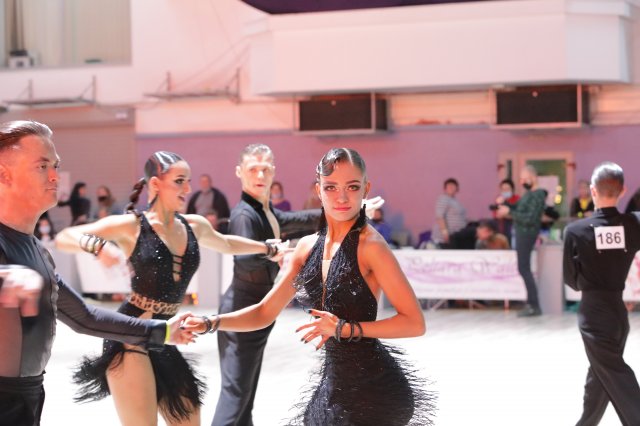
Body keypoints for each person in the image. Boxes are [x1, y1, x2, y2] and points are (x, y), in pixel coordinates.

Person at [183, 147, 435, 426]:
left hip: (376, 393)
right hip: (334, 386)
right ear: (319, 190)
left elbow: (414, 323)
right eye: (331, 187)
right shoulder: (306, 247)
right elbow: (265, 311)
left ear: (366, 189)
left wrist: (346, 329)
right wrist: (210, 322)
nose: (341, 197)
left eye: (352, 187)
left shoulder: (371, 246)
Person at [55, 150, 288, 426]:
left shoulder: (194, 225)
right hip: (130, 334)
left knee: (189, 419)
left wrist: (267, 248)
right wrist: (98, 246)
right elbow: (64, 237)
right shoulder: (132, 226)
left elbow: (225, 243)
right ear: (155, 184)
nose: (187, 189)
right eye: (179, 181)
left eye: (188, 181)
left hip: (166, 334)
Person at [0, 120, 195, 426]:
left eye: (56, 165)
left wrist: (164, 331)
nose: (55, 176)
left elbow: (84, 317)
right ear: (3, 174)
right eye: (42, 166)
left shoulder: (36, 250)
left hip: (28, 398)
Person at [212, 144, 322, 426]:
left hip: (257, 310)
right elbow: (244, 260)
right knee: (235, 396)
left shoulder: (264, 209)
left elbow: (296, 220)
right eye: (253, 169)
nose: (260, 175)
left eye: (265, 169)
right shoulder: (244, 215)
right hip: (242, 311)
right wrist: (271, 253)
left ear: (273, 171)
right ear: (239, 172)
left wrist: (340, 211)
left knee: (244, 396)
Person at [563, 161, 640, 425]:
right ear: (623, 190)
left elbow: (570, 280)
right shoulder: (634, 224)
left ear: (593, 191)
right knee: (600, 376)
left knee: (614, 374)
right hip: (618, 315)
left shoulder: (575, 231)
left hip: (593, 316)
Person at [497, 165, 546, 317]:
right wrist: (506, 204)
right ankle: (531, 304)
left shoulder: (538, 195)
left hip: (527, 233)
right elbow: (517, 208)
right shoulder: (528, 194)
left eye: (525, 179)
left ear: (533, 177)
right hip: (521, 233)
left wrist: (509, 212)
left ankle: (534, 305)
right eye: (521, 179)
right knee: (523, 268)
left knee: (524, 268)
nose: (522, 182)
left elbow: (530, 218)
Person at [431, 178, 467, 248]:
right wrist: (444, 233)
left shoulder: (454, 201)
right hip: (445, 238)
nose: (451, 188)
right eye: (449, 186)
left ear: (457, 188)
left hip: (455, 236)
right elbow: (440, 217)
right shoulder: (443, 199)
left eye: (453, 186)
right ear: (445, 189)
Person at [492, 178, 520, 243]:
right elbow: (496, 215)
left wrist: (506, 215)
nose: (505, 191)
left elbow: (518, 215)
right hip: (500, 228)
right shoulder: (499, 199)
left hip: (514, 229)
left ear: (512, 190)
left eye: (507, 189)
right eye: (503, 189)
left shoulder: (517, 199)